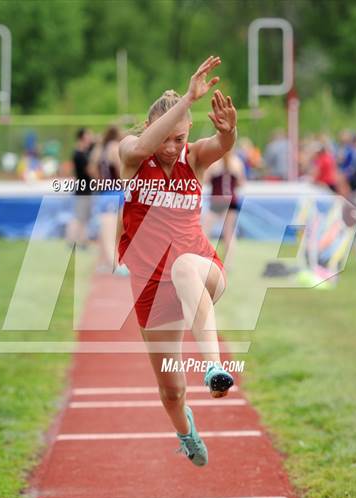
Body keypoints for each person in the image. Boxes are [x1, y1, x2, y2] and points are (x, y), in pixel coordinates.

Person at [118, 56, 237, 467]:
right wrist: (187, 98)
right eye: (169, 139)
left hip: (201, 268)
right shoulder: (133, 156)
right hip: (152, 288)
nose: (173, 148)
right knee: (170, 392)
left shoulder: (193, 158)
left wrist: (229, 131)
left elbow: (220, 145)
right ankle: (185, 431)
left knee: (184, 264)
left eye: (180, 138)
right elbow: (145, 145)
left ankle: (215, 369)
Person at [88, 125, 128, 275]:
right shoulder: (114, 147)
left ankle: (110, 262)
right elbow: (121, 170)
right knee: (114, 233)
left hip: (105, 193)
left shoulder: (99, 149)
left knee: (109, 233)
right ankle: (115, 265)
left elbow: (92, 170)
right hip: (116, 192)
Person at [203, 150, 245, 271]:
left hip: (217, 200)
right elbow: (241, 183)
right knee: (229, 233)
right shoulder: (237, 162)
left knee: (205, 231)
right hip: (231, 200)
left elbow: (206, 180)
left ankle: (205, 260)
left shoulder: (214, 163)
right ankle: (228, 264)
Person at [66, 128, 94, 248]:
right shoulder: (80, 154)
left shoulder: (81, 153)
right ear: (82, 138)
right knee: (79, 217)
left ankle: (82, 240)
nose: (90, 138)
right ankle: (72, 239)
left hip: (84, 189)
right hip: (83, 190)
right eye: (88, 136)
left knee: (82, 217)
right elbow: (90, 171)